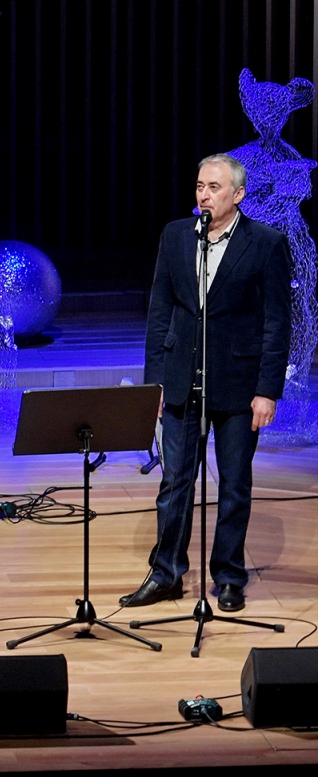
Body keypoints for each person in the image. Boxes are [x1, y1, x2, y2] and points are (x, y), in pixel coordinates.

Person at [121, 154, 291, 613]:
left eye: (214, 187)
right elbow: (160, 312)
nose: (204, 195)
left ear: (238, 195)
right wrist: (155, 382)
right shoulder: (177, 236)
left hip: (239, 386)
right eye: (200, 186)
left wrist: (267, 390)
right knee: (175, 483)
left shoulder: (267, 243)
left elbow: (277, 323)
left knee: (233, 485)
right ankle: (166, 574)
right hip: (181, 381)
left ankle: (229, 576)